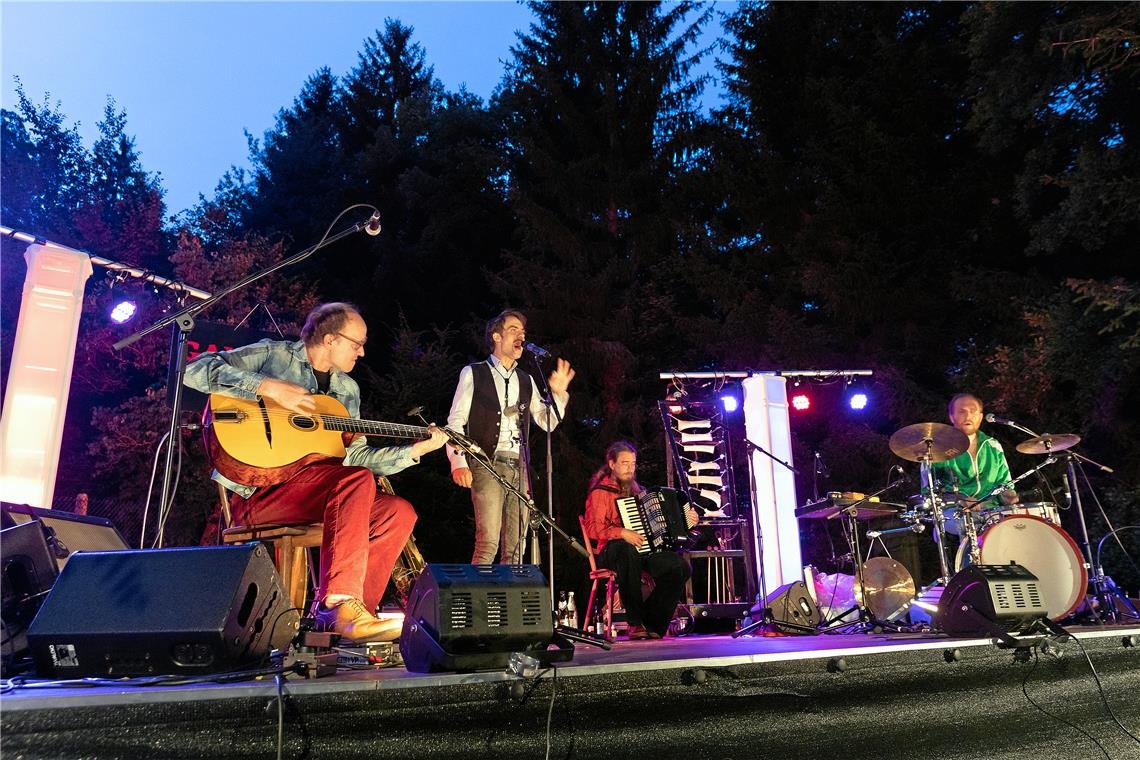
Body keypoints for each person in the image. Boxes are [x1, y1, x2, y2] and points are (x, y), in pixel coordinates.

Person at [184, 302, 449, 643]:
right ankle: (339, 602)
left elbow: (356, 458)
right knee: (354, 482)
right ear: (329, 339)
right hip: (262, 491)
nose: (363, 352)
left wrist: (415, 451)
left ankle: (350, 618)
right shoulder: (273, 356)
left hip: (322, 490)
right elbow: (194, 369)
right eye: (357, 343)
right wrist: (267, 387)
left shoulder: (347, 391)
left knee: (397, 512)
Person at [447, 309, 575, 564]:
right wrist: (458, 461)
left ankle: (511, 603)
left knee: (517, 546)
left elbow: (547, 422)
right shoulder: (474, 373)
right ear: (496, 336)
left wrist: (559, 394)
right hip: (486, 463)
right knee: (488, 541)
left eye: (523, 332)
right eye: (514, 330)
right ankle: (479, 602)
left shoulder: (526, 380)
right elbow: (455, 421)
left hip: (521, 468)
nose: (521, 336)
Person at [582, 441, 694, 640]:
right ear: (612, 464)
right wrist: (621, 532)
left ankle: (652, 622)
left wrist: (687, 520)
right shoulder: (600, 492)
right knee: (627, 551)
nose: (630, 468)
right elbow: (592, 529)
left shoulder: (638, 492)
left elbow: (661, 524)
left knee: (679, 566)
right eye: (625, 463)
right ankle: (634, 622)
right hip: (611, 551)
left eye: (633, 464)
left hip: (642, 551)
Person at [932, 393, 1018, 534]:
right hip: (954, 511)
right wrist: (961, 499)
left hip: (991, 510)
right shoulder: (937, 449)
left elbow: (1005, 484)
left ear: (980, 416)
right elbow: (929, 493)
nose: (968, 416)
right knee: (972, 523)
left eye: (973, 412)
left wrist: (1009, 495)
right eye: (962, 412)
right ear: (951, 417)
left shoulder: (993, 446)